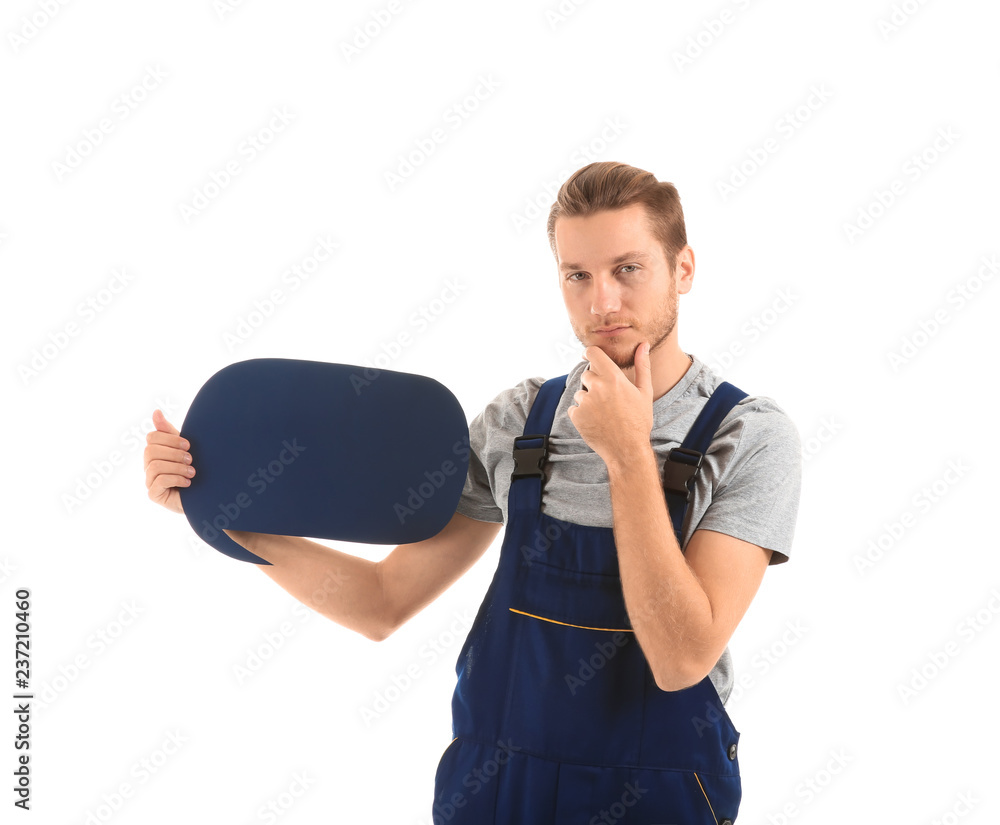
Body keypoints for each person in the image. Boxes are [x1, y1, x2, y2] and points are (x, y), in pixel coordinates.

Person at [144, 161, 801, 823]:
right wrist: (227, 516)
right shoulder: (524, 423)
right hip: (498, 791)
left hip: (659, 799)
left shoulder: (748, 437)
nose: (602, 302)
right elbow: (382, 600)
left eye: (627, 269)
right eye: (578, 275)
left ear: (682, 269)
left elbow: (681, 657)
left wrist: (628, 453)